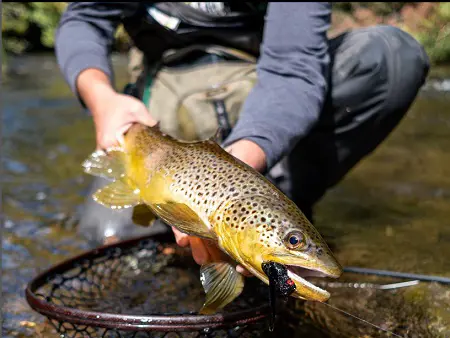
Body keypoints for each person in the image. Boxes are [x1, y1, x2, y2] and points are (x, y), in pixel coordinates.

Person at [55, 2, 430, 274]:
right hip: (156, 121)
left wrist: (238, 173)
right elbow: (84, 17)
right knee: (111, 240)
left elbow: (293, 71)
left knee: (390, 55)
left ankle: (277, 204)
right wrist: (102, 99)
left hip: (262, 105)